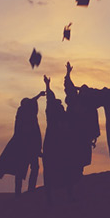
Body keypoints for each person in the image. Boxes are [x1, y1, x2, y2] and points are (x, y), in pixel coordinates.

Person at [0, 87, 45, 195]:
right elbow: (32, 102)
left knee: (30, 168)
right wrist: (39, 95)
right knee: (24, 168)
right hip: (26, 147)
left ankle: (26, 190)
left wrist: (39, 95)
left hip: (30, 147)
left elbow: (32, 101)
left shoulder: (24, 114)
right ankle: (25, 190)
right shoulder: (24, 116)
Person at [40, 75, 78, 204]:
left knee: (65, 171)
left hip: (60, 147)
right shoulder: (53, 116)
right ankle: (51, 197)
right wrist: (47, 86)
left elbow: (50, 100)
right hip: (53, 147)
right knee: (52, 172)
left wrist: (48, 85)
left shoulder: (63, 117)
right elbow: (50, 100)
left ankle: (67, 195)